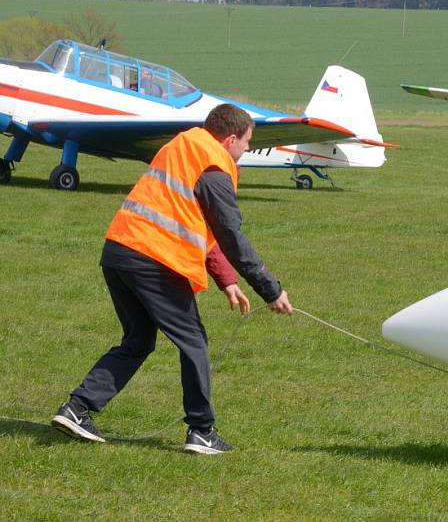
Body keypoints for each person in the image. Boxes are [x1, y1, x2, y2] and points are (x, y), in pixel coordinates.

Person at [51, 103, 293, 454]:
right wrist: (270, 290)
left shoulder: (181, 148)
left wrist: (227, 281)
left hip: (119, 250)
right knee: (193, 341)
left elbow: (194, 223)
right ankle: (202, 431)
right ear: (230, 139)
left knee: (138, 340)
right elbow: (231, 235)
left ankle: (76, 409)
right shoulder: (214, 165)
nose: (246, 150)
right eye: (247, 142)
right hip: (155, 259)